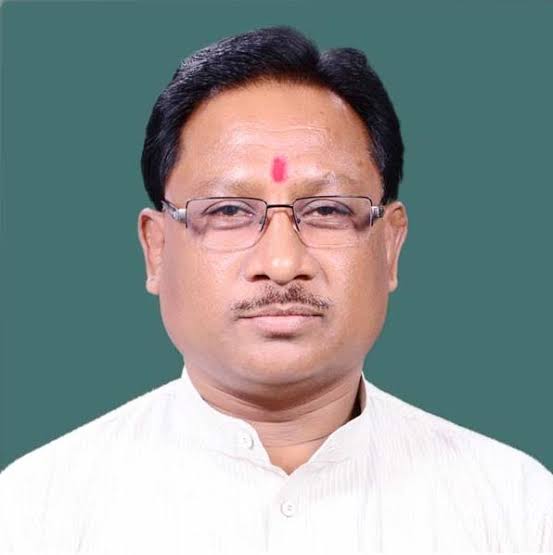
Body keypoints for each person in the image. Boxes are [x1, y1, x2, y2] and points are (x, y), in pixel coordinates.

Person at [0, 25, 551, 554]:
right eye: (229, 211)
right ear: (157, 249)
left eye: (328, 209)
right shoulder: (36, 511)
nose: (283, 264)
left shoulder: (515, 507)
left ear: (389, 246)